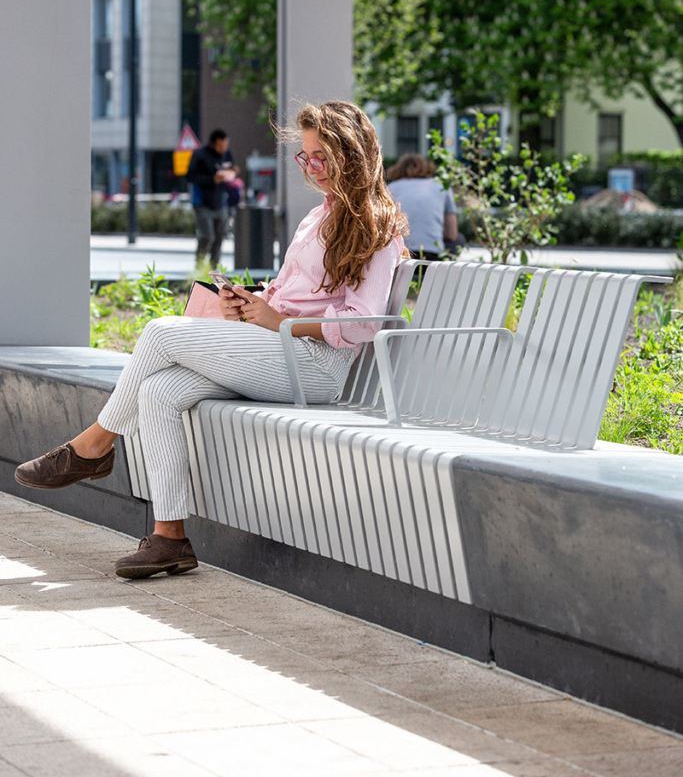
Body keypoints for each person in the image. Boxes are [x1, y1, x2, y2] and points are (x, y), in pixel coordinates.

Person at [15, 102, 406, 580]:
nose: (313, 169)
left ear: (352, 152)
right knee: (159, 392)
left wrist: (275, 318)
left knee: (159, 330)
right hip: (281, 351)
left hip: (316, 367)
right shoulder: (316, 218)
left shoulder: (376, 224)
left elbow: (365, 323)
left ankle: (93, 447)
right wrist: (249, 303)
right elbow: (290, 296)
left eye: (322, 156)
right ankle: (169, 538)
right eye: (306, 159)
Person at [387, 153, 460, 260]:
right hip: (433, 255)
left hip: (402, 254)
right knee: (459, 239)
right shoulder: (441, 186)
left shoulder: (391, 187)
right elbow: (451, 234)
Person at [187, 129, 235, 269]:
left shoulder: (227, 154)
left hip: (220, 202)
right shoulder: (200, 155)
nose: (223, 149)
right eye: (220, 146)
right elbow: (190, 176)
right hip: (202, 202)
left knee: (219, 237)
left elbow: (230, 167)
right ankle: (199, 267)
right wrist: (211, 179)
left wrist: (233, 171)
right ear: (213, 144)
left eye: (225, 145)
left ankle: (214, 269)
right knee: (207, 236)